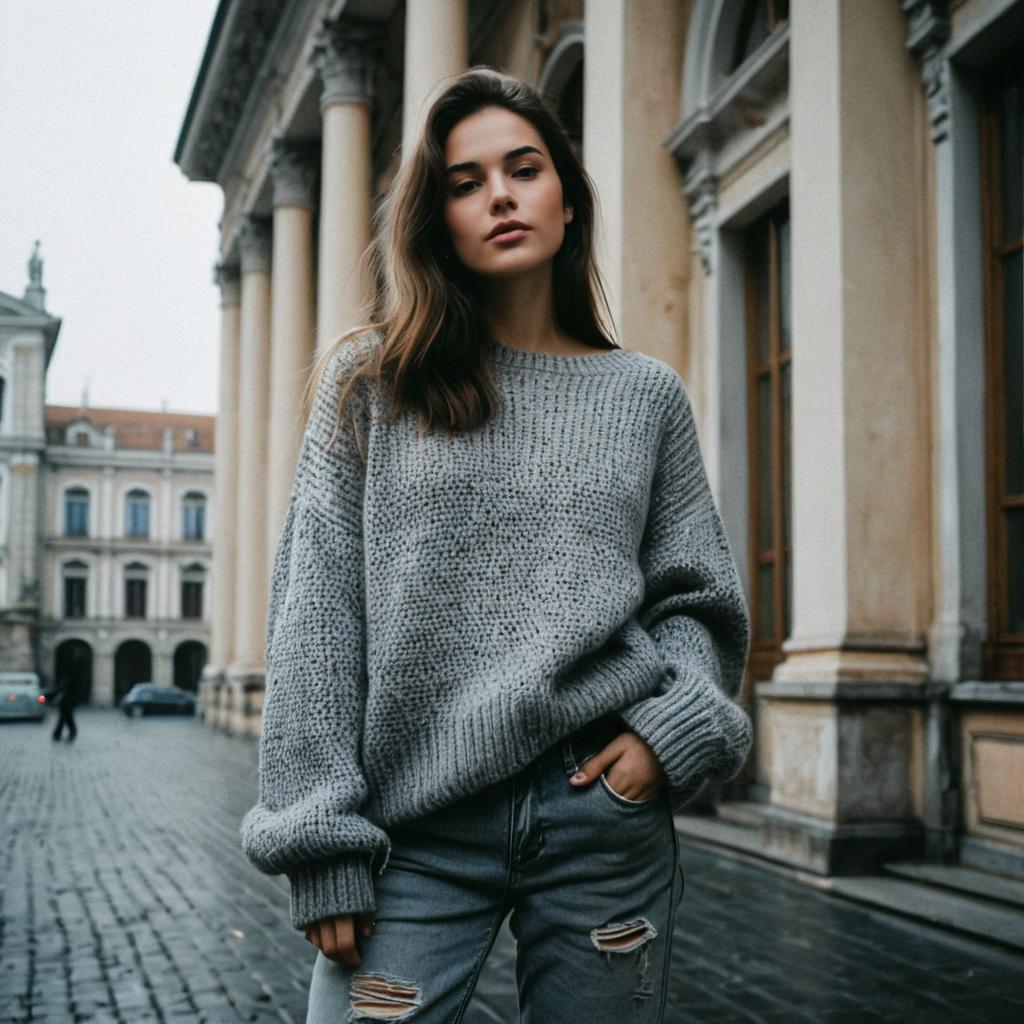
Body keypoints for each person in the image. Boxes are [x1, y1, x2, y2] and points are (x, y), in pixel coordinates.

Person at [239, 67, 752, 1024]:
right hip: (414, 827)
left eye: (524, 168)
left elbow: (696, 599)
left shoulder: (644, 397)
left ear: (568, 196)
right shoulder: (374, 384)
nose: (502, 196)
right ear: (437, 217)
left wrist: (665, 736)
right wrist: (320, 840)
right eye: (467, 182)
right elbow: (316, 616)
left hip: (603, 812)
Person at [51, 675, 78, 742]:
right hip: (65, 707)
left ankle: (57, 734)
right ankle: (59, 734)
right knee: (66, 720)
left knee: (64, 720)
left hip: (66, 707)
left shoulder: (67, 690)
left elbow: (54, 694)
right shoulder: (64, 689)